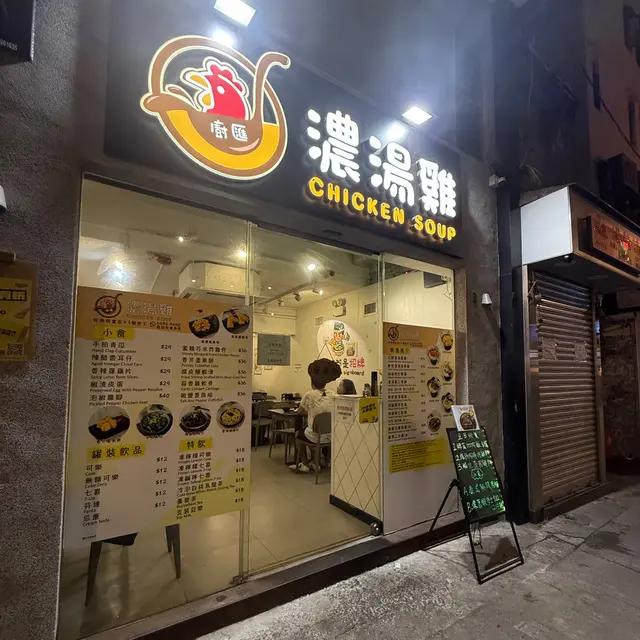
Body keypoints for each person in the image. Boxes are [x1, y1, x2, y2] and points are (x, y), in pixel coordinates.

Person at [291, 358, 341, 473]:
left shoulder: (309, 394)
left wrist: (311, 412)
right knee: (310, 431)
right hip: (331, 435)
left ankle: (305, 463)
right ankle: (316, 462)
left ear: (312, 382)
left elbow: (300, 411)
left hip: (315, 436)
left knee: (299, 434)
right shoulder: (332, 393)